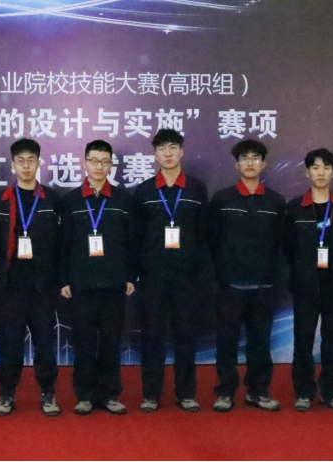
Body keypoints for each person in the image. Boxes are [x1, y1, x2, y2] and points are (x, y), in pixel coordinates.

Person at [134, 129, 209, 412]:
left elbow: (203, 234)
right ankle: (151, 394)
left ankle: (186, 393)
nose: (167, 153)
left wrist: (198, 270)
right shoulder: (144, 191)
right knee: (151, 336)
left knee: (185, 336)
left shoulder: (196, 189)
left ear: (182, 152)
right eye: (162, 148)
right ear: (155, 155)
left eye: (173, 147)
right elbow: (136, 236)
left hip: (186, 276)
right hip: (153, 276)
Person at [59, 140, 136, 415]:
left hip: (114, 283)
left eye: (105, 161)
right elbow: (63, 244)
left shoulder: (123, 200)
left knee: (111, 341)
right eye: (94, 161)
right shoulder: (70, 201)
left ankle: (110, 394)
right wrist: (64, 279)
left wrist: (130, 276)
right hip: (81, 284)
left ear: (111, 165)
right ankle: (85, 396)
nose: (99, 166)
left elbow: (131, 242)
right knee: (84, 341)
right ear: (84, 163)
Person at [208, 139, 285, 412]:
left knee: (260, 342)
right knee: (227, 341)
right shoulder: (222, 199)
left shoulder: (275, 201)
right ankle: (225, 392)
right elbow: (212, 240)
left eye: (255, 158)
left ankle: (258, 391)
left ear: (263, 164)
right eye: (245, 158)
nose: (250, 163)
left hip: (264, 286)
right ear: (236, 165)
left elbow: (281, 242)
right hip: (231, 286)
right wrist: (222, 273)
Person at [0, 139, 61, 416]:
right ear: (12, 165)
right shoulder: (1, 200)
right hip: (11, 286)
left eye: (31, 160)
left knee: (45, 342)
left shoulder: (52, 199)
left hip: (42, 285)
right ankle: (6, 394)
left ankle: (48, 392)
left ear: (39, 163)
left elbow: (61, 242)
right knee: (10, 343)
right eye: (21, 161)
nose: (26, 166)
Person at [285, 148, 333, 412]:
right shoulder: (295, 207)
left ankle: (332, 392)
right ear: (307, 172)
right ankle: (304, 392)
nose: (321, 173)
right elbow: (288, 247)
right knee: (303, 339)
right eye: (315, 168)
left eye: (326, 167)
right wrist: (301, 271)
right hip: (305, 285)